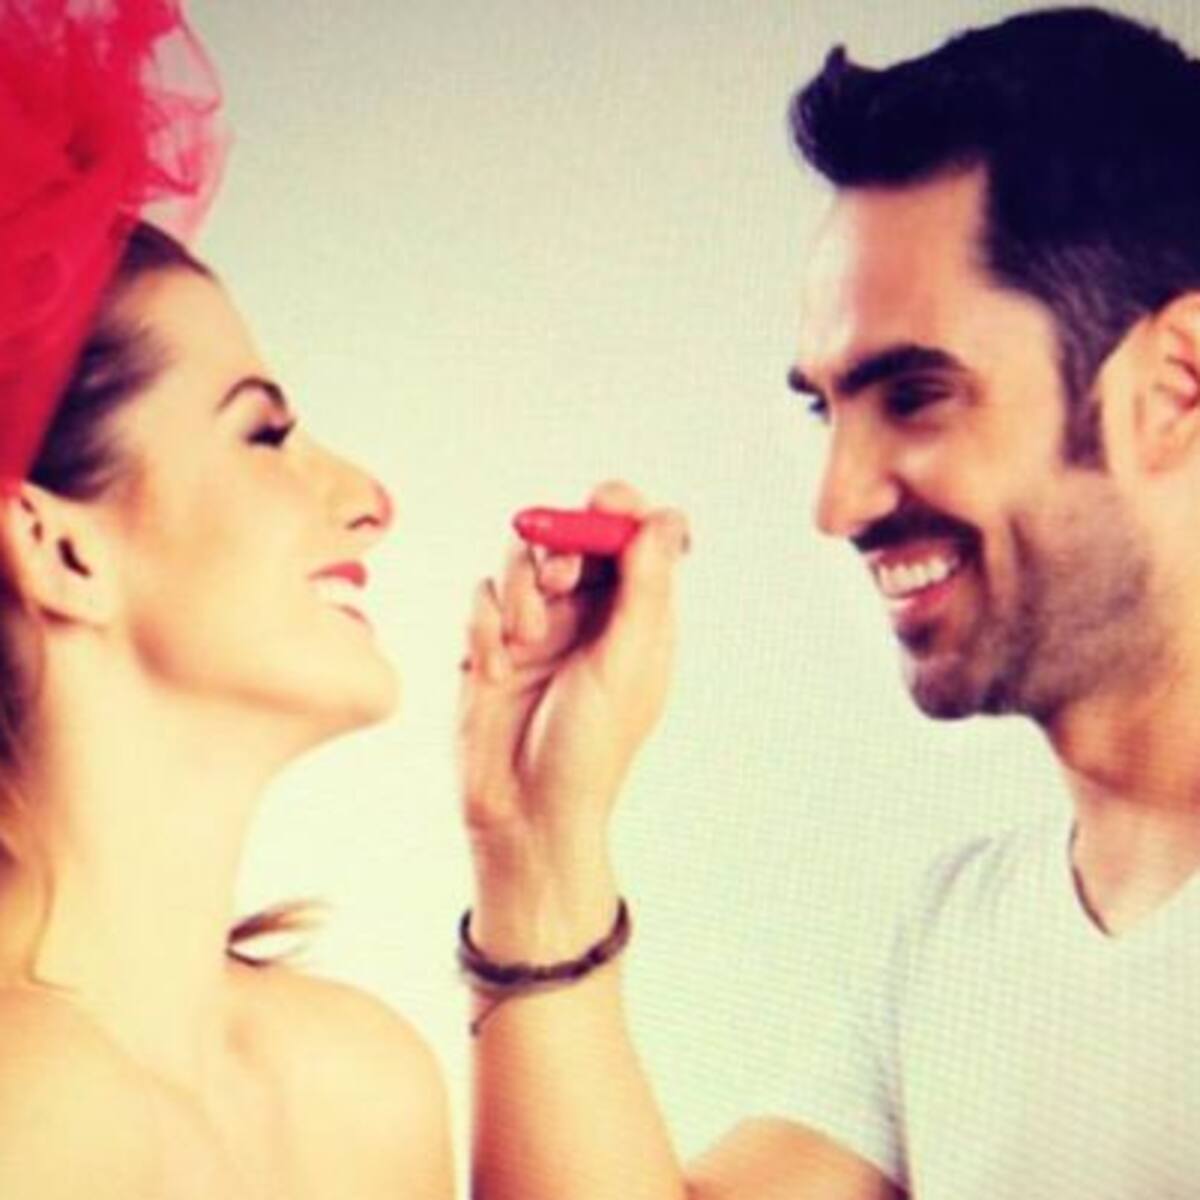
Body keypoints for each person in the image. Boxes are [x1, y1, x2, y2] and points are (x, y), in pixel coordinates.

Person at [458, 8, 1200, 1199]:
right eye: (826, 409)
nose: (837, 502)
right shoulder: (959, 941)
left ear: (1175, 386)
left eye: (915, 394)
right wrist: (535, 848)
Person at [0, 4, 453, 1196]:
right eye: (264, 434)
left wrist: (540, 840)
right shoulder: (24, 1109)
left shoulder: (367, 1085)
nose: (369, 500)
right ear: (58, 550)